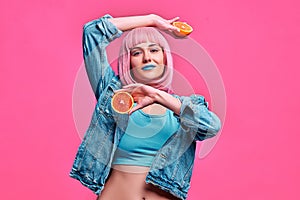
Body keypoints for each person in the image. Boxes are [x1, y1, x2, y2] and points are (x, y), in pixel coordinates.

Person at [70, 13, 221, 200]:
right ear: (128, 61)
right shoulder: (114, 95)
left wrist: (158, 96)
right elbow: (92, 33)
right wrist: (152, 20)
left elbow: (212, 127)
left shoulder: (183, 107)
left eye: (154, 50)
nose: (147, 58)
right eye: (137, 52)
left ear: (165, 58)